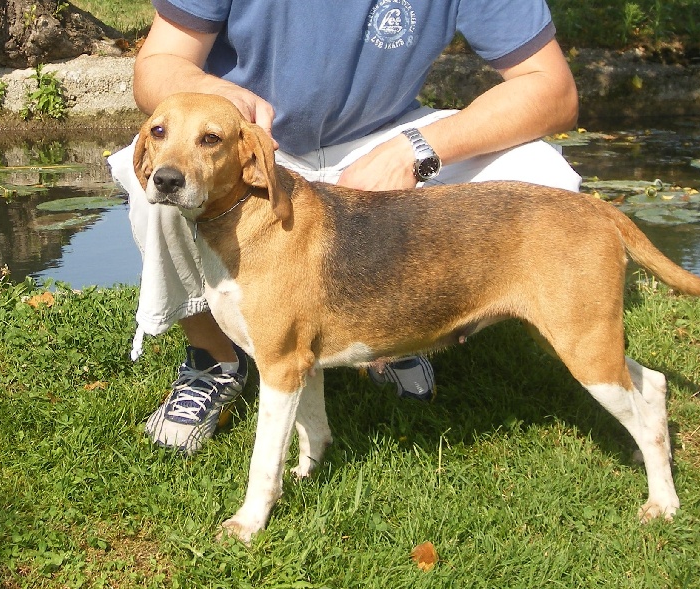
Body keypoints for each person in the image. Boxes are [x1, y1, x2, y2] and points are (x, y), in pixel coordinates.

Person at [108, 0, 583, 455]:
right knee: (148, 177)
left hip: (384, 137)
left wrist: (415, 148)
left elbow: (552, 89)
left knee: (542, 172)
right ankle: (214, 360)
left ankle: (394, 329)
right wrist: (217, 94)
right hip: (242, 146)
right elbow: (160, 61)